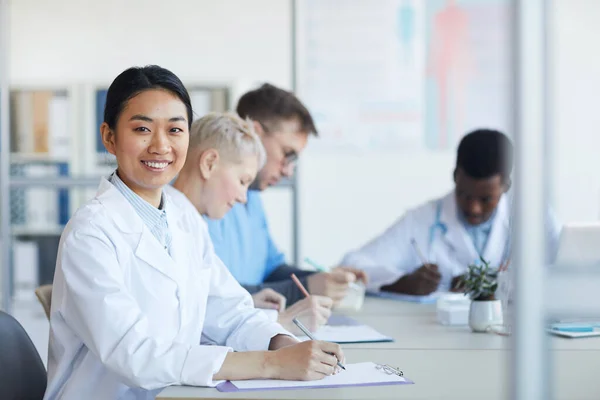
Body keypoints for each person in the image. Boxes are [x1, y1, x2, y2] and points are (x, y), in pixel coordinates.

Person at [43, 66, 344, 400]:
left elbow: (229, 310)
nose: (160, 145)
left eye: (175, 130)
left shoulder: (182, 215)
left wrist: (283, 344)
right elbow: (135, 355)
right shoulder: (90, 234)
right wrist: (270, 364)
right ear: (109, 137)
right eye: (142, 128)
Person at [340, 129, 562, 296]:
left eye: (486, 199)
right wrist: (401, 282)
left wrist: (501, 283)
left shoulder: (535, 217)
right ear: (455, 176)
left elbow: (565, 276)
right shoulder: (422, 219)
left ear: (506, 185)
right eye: (465, 195)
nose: (474, 208)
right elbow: (353, 265)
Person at [205, 83, 366, 305]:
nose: (288, 171)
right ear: (254, 133)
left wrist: (322, 280)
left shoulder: (251, 198)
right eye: (287, 154)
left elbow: (271, 270)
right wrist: (305, 289)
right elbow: (212, 295)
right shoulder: (208, 198)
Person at [170, 112, 332, 333]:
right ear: (209, 163)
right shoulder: (169, 227)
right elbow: (190, 321)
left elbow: (216, 302)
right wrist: (281, 321)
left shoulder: (193, 223)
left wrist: (250, 302)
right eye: (242, 181)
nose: (243, 198)